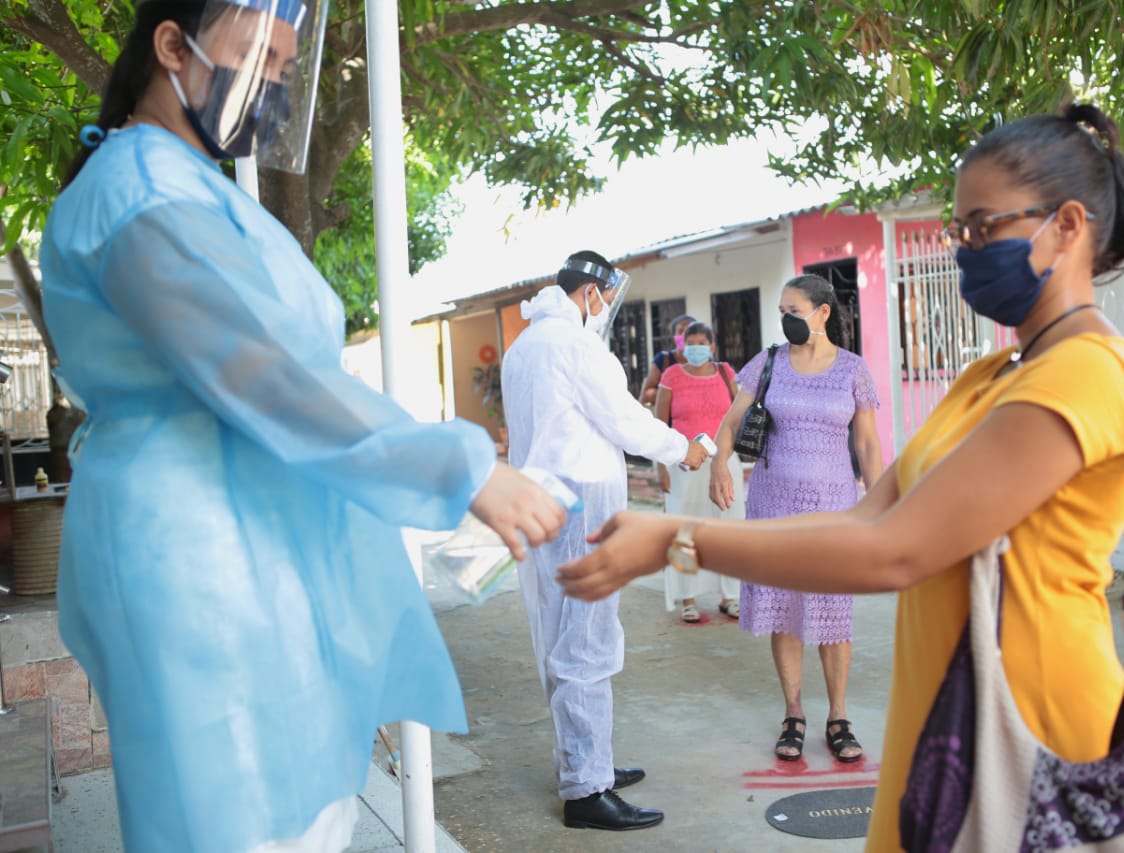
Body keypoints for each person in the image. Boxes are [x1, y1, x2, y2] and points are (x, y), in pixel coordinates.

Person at [556, 102, 1124, 851]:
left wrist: (682, 539)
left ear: (1068, 226)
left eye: (984, 228)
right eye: (958, 230)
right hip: (948, 722)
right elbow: (868, 513)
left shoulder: (1086, 374)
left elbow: (897, 549)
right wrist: (694, 530)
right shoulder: (989, 376)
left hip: (1031, 737)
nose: (965, 248)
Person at [38, 2, 565, 851]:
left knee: (300, 803)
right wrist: (464, 466)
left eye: (285, 68)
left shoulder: (187, 186)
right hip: (193, 558)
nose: (272, 88)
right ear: (171, 46)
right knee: (232, 821)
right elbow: (263, 374)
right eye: (258, 61)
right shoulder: (139, 194)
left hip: (246, 546)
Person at [501, 251, 709, 832]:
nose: (606, 308)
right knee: (586, 640)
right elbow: (622, 418)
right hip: (582, 503)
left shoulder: (525, 346)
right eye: (606, 296)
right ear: (590, 293)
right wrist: (681, 449)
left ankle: (587, 763)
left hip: (540, 498)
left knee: (559, 632)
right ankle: (587, 790)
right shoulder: (575, 346)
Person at [712, 275, 884, 762]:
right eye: (782, 309)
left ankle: (838, 715)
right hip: (773, 505)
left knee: (833, 611)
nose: (786, 317)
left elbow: (868, 444)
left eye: (794, 308)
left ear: (823, 312)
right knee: (784, 608)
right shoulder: (767, 362)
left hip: (833, 509)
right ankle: (793, 713)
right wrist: (720, 463)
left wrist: (882, 500)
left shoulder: (853, 369)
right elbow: (731, 420)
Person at [653, 321, 743, 623]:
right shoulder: (671, 376)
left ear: (713, 346)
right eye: (690, 342)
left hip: (724, 461)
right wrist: (660, 465)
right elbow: (659, 425)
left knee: (728, 528)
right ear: (682, 346)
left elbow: (737, 417)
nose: (696, 347)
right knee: (685, 531)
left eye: (703, 341)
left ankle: (730, 596)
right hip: (683, 464)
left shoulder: (725, 373)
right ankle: (687, 598)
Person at [638, 313, 696, 406]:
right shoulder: (663, 360)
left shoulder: (703, 361)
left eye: (689, 331)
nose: (685, 335)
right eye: (680, 331)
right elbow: (646, 395)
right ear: (674, 336)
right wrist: (675, 393)